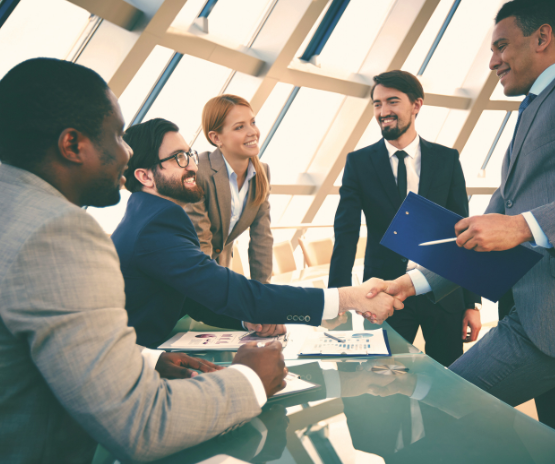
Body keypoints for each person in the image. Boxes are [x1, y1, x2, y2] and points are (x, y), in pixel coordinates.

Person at [0, 57, 298, 463]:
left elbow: (31, 340)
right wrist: (250, 379)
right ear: (72, 145)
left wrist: (150, 359)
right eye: (118, 136)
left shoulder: (13, 212)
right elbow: (141, 424)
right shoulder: (58, 231)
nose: (126, 155)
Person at [382, 0, 555, 428]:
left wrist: (521, 227)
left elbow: (511, 223)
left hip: (540, 327)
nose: (493, 61)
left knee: (437, 411)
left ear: (543, 37)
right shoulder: (532, 106)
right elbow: (480, 230)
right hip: (533, 320)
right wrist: (409, 283)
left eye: (501, 46)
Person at [112, 117, 404, 349]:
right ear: (145, 176)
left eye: (189, 154)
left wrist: (247, 319)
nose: (191, 165)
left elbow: (195, 297)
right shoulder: (157, 225)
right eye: (178, 158)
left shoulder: (149, 216)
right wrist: (348, 298)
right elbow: (230, 291)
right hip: (135, 364)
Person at [329, 70, 481, 366]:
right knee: (382, 381)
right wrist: (340, 298)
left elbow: (463, 232)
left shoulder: (446, 159)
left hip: (443, 292)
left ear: (416, 105)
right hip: (384, 293)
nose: (383, 112)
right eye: (377, 104)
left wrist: (470, 302)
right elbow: (345, 232)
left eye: (392, 102)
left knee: (449, 387)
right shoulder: (358, 163)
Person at [185, 95, 273, 284]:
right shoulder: (200, 171)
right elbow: (201, 242)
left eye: (253, 122)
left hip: (220, 272)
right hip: (189, 275)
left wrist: (264, 294)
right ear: (216, 138)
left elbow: (262, 239)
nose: (253, 132)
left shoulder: (262, 172)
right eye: (239, 127)